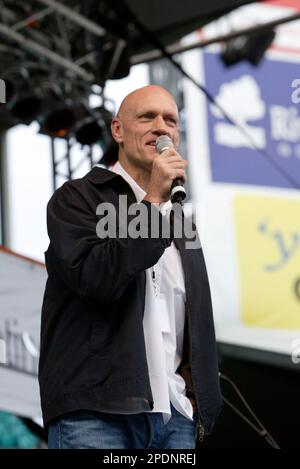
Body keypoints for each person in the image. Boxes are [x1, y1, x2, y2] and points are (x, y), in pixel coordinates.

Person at [39, 85, 222, 449]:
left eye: (170, 120)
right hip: (97, 411)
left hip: (175, 416)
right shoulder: (78, 198)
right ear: (118, 131)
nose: (161, 127)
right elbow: (96, 278)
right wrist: (153, 201)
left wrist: (202, 399)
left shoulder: (182, 224)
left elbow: (196, 321)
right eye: (147, 117)